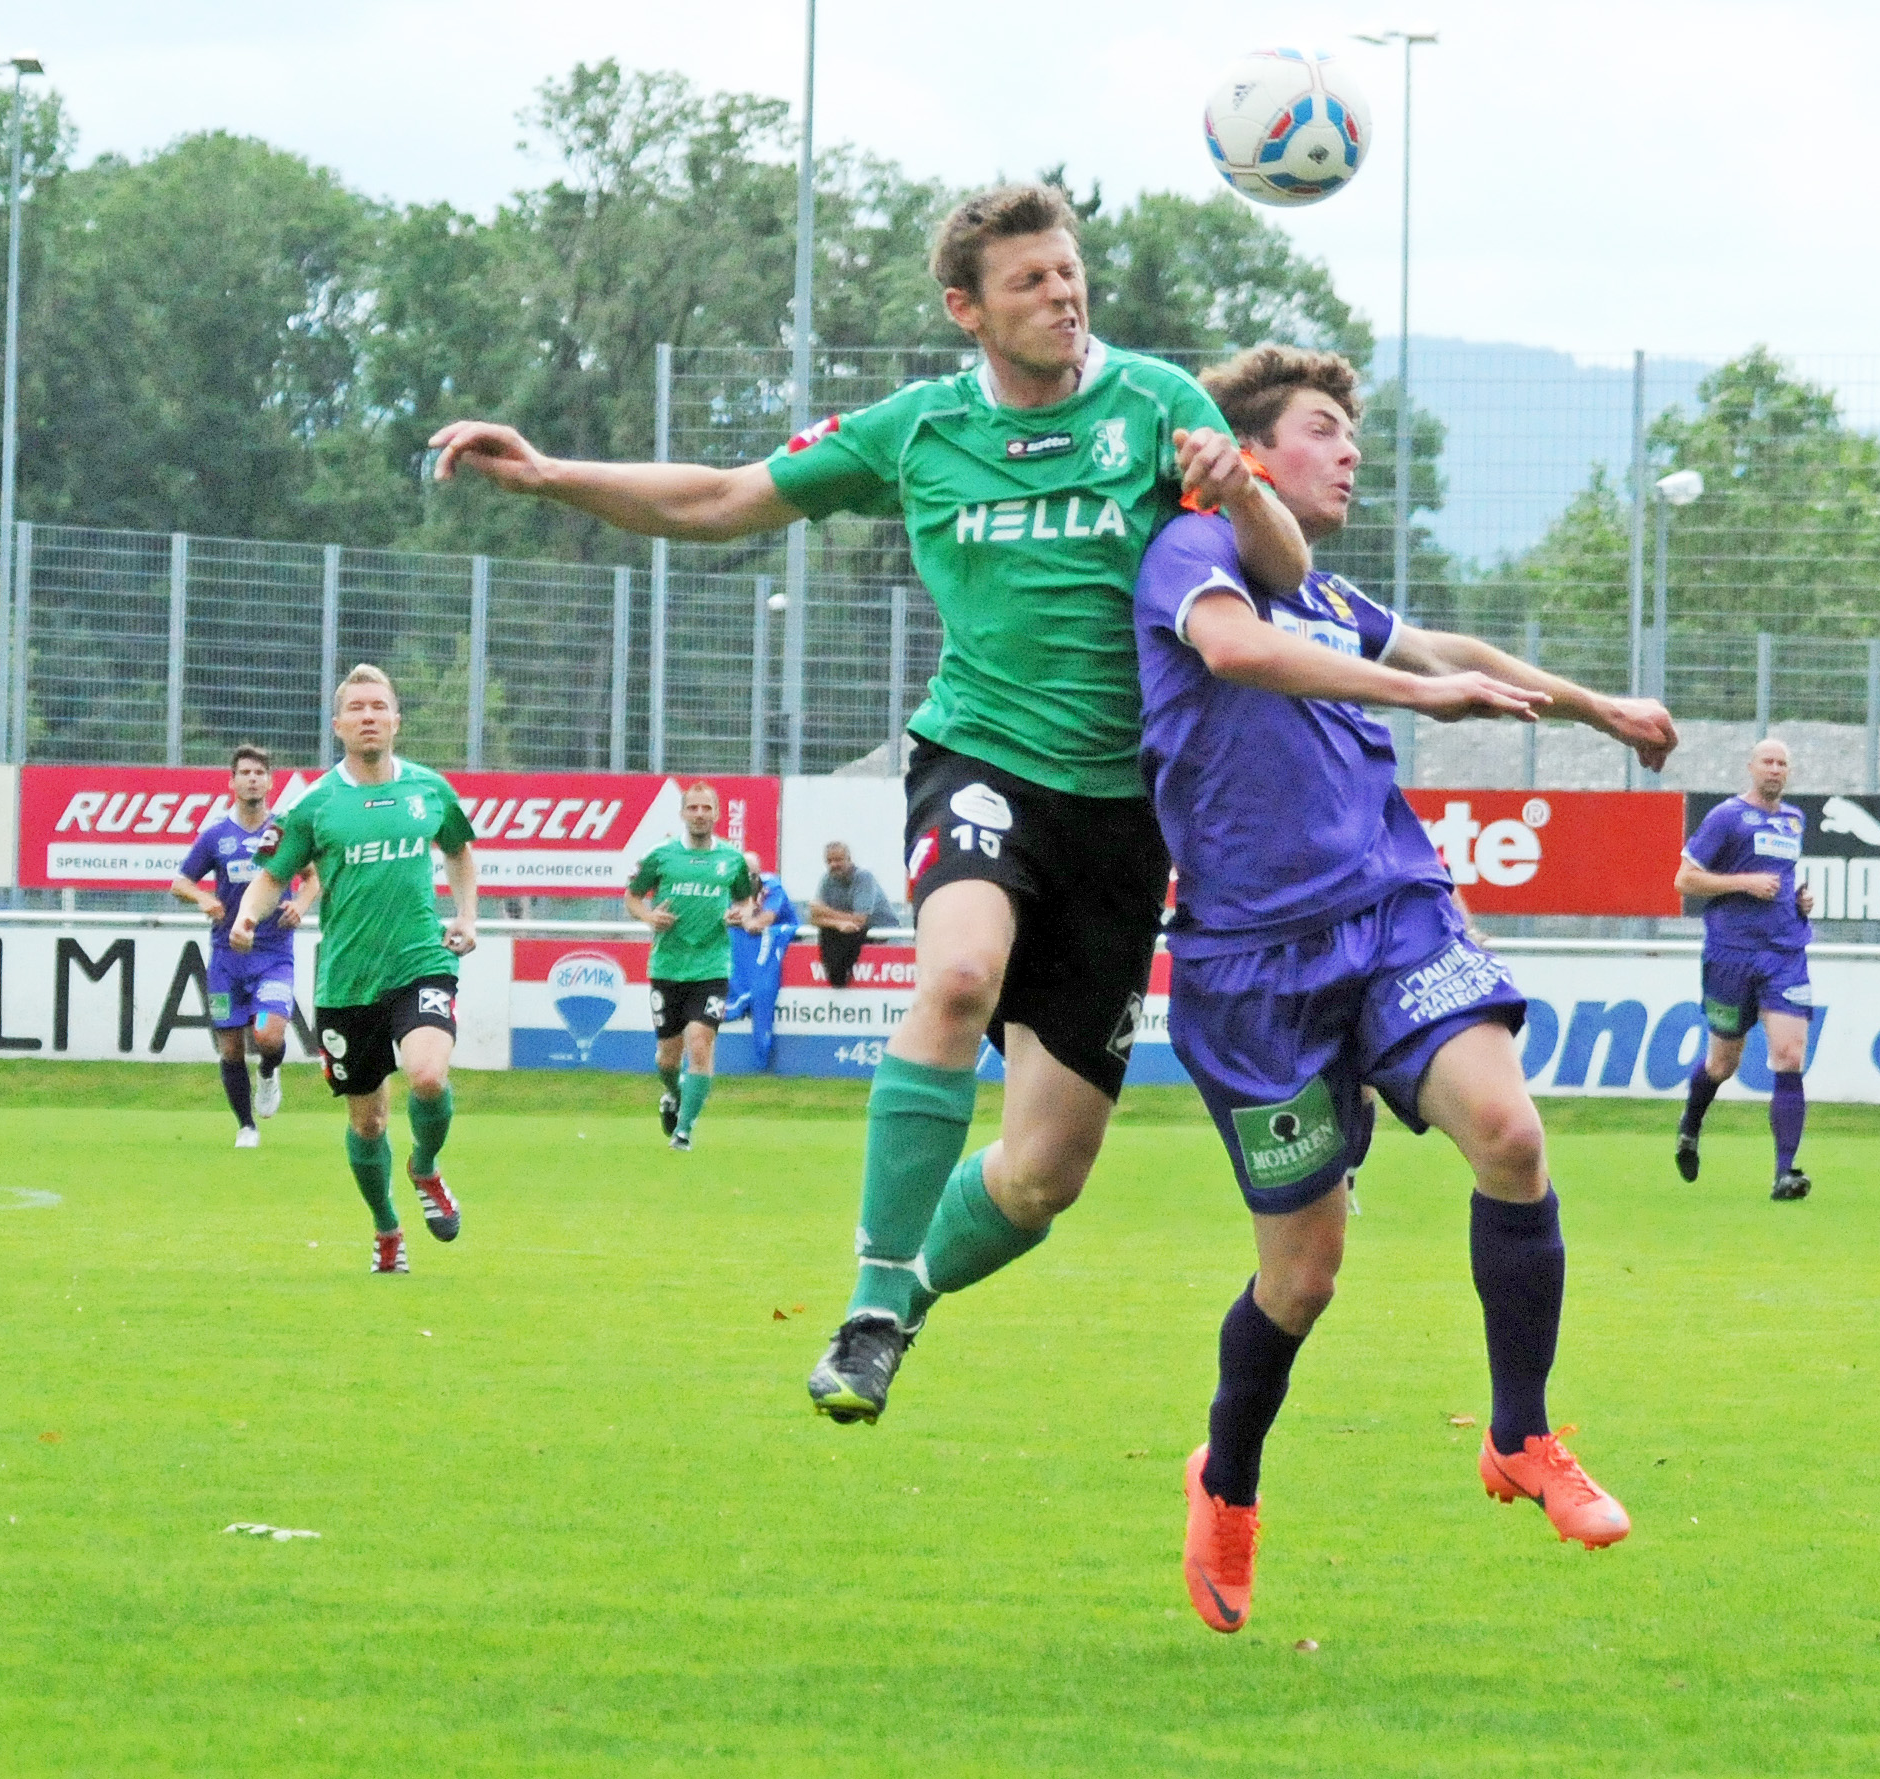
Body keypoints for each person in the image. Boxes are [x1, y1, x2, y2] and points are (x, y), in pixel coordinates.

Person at [430, 181, 1311, 1424]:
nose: (1062, 294)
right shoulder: (919, 429)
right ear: (967, 310)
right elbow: (726, 499)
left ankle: (902, 1303)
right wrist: (548, 476)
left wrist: (1244, 489)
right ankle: (867, 1301)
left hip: (1124, 813)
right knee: (955, 978)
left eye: (1068, 270)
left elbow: (1285, 572)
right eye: (1029, 280)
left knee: (1041, 1179)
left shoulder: (1158, 403)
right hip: (980, 760)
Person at [1132, 344, 1677, 1633]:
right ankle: (1229, 1479)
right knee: (1303, 1278)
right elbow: (1237, 652)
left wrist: (1594, 707)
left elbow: (1443, 643)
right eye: (1325, 427)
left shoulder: (1325, 590)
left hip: (1392, 913)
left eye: (1352, 430)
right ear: (1250, 453)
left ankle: (1521, 1434)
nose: (1352, 451)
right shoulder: (1189, 553)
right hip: (1251, 966)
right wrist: (1421, 691)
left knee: (1511, 1134)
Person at [233, 665, 478, 1274]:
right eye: (357, 708)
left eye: (379, 706)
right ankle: (387, 1227)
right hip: (347, 982)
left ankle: (425, 1167)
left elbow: (458, 850)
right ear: (339, 725)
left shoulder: (429, 789)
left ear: (396, 720)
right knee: (368, 1123)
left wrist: (467, 916)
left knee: (427, 1076)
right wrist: (246, 916)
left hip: (420, 962)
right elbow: (272, 875)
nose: (369, 716)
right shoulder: (315, 805)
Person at [1672, 738, 1818, 1201]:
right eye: (1767, 762)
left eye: (1782, 763)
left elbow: (1781, 878)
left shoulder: (1794, 820)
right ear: (1751, 768)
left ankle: (1784, 1173)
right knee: (1723, 1064)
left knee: (1789, 1055)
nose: (1775, 769)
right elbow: (1684, 880)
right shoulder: (1727, 817)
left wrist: (1798, 902)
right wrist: (1743, 883)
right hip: (1731, 954)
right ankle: (1690, 1126)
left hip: (1784, 953)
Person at [168, 744, 318, 1147]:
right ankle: (246, 1126)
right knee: (231, 1048)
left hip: (273, 956)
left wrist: (301, 904)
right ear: (232, 782)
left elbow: (312, 876)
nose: (252, 779)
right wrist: (203, 898)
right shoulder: (216, 837)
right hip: (226, 958)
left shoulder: (280, 834)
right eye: (245, 773)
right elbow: (180, 882)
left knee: (268, 1035)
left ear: (270, 782)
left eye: (259, 773)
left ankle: (268, 1071)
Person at [624, 782, 758, 1150]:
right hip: (668, 966)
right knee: (667, 1059)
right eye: (693, 808)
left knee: (700, 1044)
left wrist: (740, 913)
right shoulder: (661, 855)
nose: (700, 814)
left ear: (717, 813)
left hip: (711, 967)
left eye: (706, 808)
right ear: (683, 813)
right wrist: (649, 917)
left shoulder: (731, 859)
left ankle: (683, 1132)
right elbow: (632, 898)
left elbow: (745, 900)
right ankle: (673, 1093)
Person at [725, 849, 797, 1072]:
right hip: (743, 944)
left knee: (763, 989)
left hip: (774, 941)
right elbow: (722, 917)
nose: (749, 879)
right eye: (743, 874)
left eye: (752, 874)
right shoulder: (728, 886)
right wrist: (741, 920)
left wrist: (743, 920)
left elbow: (762, 921)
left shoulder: (772, 886)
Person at [806, 841, 890, 989]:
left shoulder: (863, 877)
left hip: (884, 940)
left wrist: (825, 911)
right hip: (849, 936)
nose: (833, 865)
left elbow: (860, 920)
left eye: (838, 860)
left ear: (849, 859)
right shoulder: (826, 879)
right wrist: (838, 924)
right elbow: (813, 918)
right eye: (829, 861)